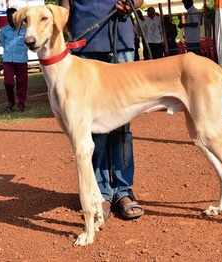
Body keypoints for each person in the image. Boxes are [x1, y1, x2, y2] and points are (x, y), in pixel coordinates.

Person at [63, 0, 144, 221]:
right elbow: (64, 11)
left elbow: (139, 1)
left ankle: (123, 190)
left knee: (122, 124)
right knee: (91, 128)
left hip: (121, 40)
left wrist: (130, 4)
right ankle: (99, 193)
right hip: (85, 47)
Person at [0, 8, 29, 112]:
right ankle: (10, 103)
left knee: (22, 83)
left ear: (17, 17)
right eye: (8, 17)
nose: (10, 19)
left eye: (13, 17)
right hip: (8, 60)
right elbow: (3, 43)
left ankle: (21, 103)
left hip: (21, 60)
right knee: (8, 82)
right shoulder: (4, 30)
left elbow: (28, 43)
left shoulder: (26, 29)